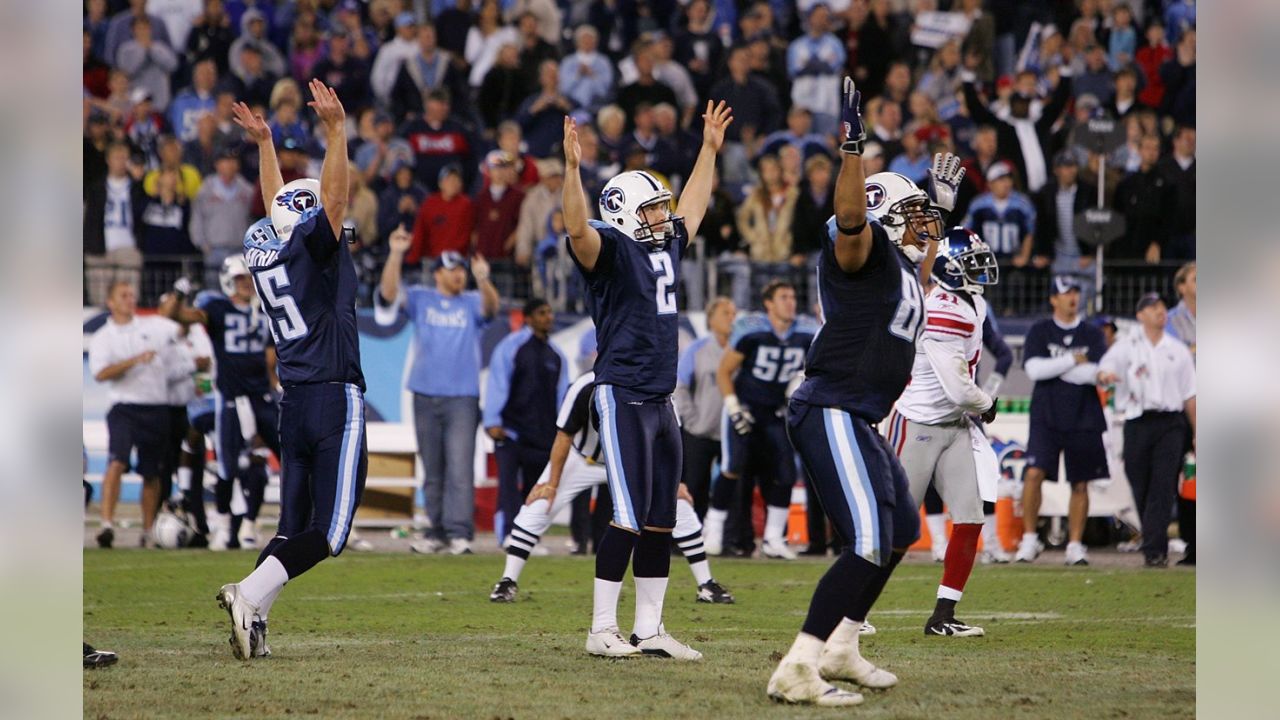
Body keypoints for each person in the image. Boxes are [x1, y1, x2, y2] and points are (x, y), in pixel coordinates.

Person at [766, 78, 960, 706]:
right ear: (878, 215)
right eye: (909, 217)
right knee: (869, 540)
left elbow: (917, 276)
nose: (922, 228)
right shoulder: (862, 245)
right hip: (831, 406)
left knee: (902, 527)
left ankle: (844, 645)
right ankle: (798, 664)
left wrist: (941, 215)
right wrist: (853, 150)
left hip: (859, 415)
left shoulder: (903, 268)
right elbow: (851, 218)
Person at [561, 98, 733, 660]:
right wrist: (571, 174)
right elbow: (576, 230)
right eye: (653, 209)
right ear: (626, 214)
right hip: (623, 393)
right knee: (630, 517)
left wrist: (708, 150)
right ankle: (600, 628)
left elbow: (694, 208)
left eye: (661, 207)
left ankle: (650, 628)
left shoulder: (662, 246)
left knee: (661, 522)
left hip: (662, 398)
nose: (664, 216)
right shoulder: (609, 247)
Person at [216, 80, 367, 661]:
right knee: (328, 534)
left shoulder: (272, 247)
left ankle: (253, 623)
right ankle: (247, 592)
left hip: (295, 401)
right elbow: (324, 205)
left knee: (288, 529)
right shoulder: (313, 243)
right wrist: (336, 132)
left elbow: (285, 206)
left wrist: (265, 146)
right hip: (333, 398)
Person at [489, 370, 735, 604]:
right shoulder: (586, 386)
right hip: (584, 459)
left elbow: (670, 435)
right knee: (539, 505)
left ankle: (706, 583)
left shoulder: (654, 387)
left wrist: (676, 481)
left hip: (633, 462)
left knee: (679, 508)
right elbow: (564, 435)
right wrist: (552, 483)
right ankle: (507, 580)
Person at [884, 228, 1001, 638]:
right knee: (892, 528)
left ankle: (943, 615)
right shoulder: (943, 308)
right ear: (952, 270)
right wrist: (987, 405)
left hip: (953, 426)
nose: (982, 269)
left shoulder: (974, 303)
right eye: (972, 263)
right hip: (917, 424)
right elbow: (956, 385)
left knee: (970, 519)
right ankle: (852, 610)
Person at [376, 231, 499, 555]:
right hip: (425, 394)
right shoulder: (420, 297)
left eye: (461, 269)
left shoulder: (472, 301)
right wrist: (396, 254)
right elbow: (389, 293)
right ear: (438, 274)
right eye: (451, 269)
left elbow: (492, 308)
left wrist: (483, 279)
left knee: (459, 467)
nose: (459, 274)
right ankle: (436, 531)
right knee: (432, 469)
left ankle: (459, 532)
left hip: (462, 396)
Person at [167, 257, 280, 550]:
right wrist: (180, 294)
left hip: (262, 397)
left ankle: (261, 523)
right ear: (229, 280)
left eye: (248, 278)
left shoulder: (266, 307)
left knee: (288, 456)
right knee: (228, 467)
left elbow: (272, 356)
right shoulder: (216, 307)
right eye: (241, 278)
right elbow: (177, 316)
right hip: (230, 399)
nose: (246, 283)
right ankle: (224, 524)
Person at [705, 281, 817, 560]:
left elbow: (817, 368)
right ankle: (713, 532)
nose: (791, 301)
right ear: (768, 303)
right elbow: (724, 372)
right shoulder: (752, 330)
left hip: (776, 411)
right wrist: (733, 407)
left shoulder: (805, 333)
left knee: (787, 473)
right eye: (783, 296)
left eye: (792, 296)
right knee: (730, 468)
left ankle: (773, 539)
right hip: (744, 407)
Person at [1015, 277, 1110, 566]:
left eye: (1075, 292)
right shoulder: (1040, 331)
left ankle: (1075, 545)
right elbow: (1034, 370)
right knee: (1033, 474)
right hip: (1046, 414)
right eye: (1065, 293)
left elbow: (1095, 373)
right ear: (1053, 299)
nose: (1072, 298)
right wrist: (1073, 360)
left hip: (1084, 415)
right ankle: (1030, 539)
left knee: (1080, 482)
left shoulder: (1092, 334)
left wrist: (1058, 367)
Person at [1098, 294, 1196, 567]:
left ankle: (1155, 550)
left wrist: (1198, 430)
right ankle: (1154, 540)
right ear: (1140, 315)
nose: (1160, 312)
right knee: (1139, 483)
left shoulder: (1177, 350)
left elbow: (1190, 395)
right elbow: (1106, 366)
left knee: (1163, 485)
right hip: (1137, 421)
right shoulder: (1127, 346)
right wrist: (1105, 376)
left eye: (1162, 307)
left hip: (1171, 423)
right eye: (1153, 308)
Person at [89, 280, 183, 548]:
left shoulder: (150, 326)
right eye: (124, 295)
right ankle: (107, 524)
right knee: (117, 461)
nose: (130, 300)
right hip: (125, 406)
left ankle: (147, 530)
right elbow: (100, 373)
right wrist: (134, 360)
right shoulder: (103, 337)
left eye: (132, 295)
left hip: (156, 406)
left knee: (151, 472)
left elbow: (176, 323)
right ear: (110, 302)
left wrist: (178, 297)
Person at [484, 298, 570, 544]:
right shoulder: (511, 347)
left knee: (536, 490)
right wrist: (492, 420)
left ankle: (529, 538)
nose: (549, 317)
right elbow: (497, 383)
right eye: (542, 313)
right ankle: (508, 534)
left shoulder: (557, 356)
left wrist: (562, 430)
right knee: (508, 488)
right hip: (511, 432)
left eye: (551, 313)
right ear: (528, 318)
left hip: (543, 435)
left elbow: (562, 396)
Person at [675, 297, 737, 518]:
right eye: (725, 313)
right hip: (699, 430)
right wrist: (692, 420)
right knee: (695, 485)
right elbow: (680, 386)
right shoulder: (696, 349)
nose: (731, 318)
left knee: (734, 487)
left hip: (732, 430)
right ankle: (690, 535)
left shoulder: (741, 348)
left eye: (733, 314)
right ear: (710, 319)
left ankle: (730, 539)